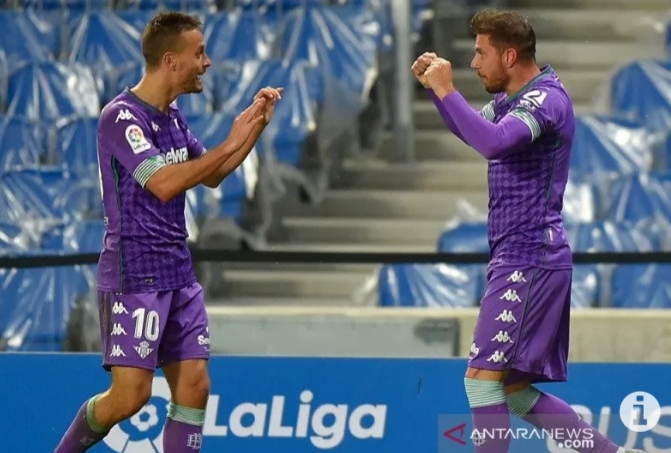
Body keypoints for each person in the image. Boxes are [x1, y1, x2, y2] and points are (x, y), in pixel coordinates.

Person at [412, 9, 644, 453]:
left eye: (481, 54)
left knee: (481, 381)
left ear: (509, 55)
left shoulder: (546, 100)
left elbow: (493, 142)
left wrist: (447, 89)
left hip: (530, 257)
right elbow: (474, 131)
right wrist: (436, 92)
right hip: (520, 257)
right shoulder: (513, 101)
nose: (474, 64)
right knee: (513, 391)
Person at [54, 11, 282, 453]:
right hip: (135, 274)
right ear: (171, 61)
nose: (207, 62)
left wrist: (251, 129)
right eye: (199, 53)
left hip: (178, 272)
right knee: (130, 398)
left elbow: (212, 175)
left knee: (195, 386)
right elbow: (162, 184)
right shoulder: (120, 118)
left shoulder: (173, 118)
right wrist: (229, 141)